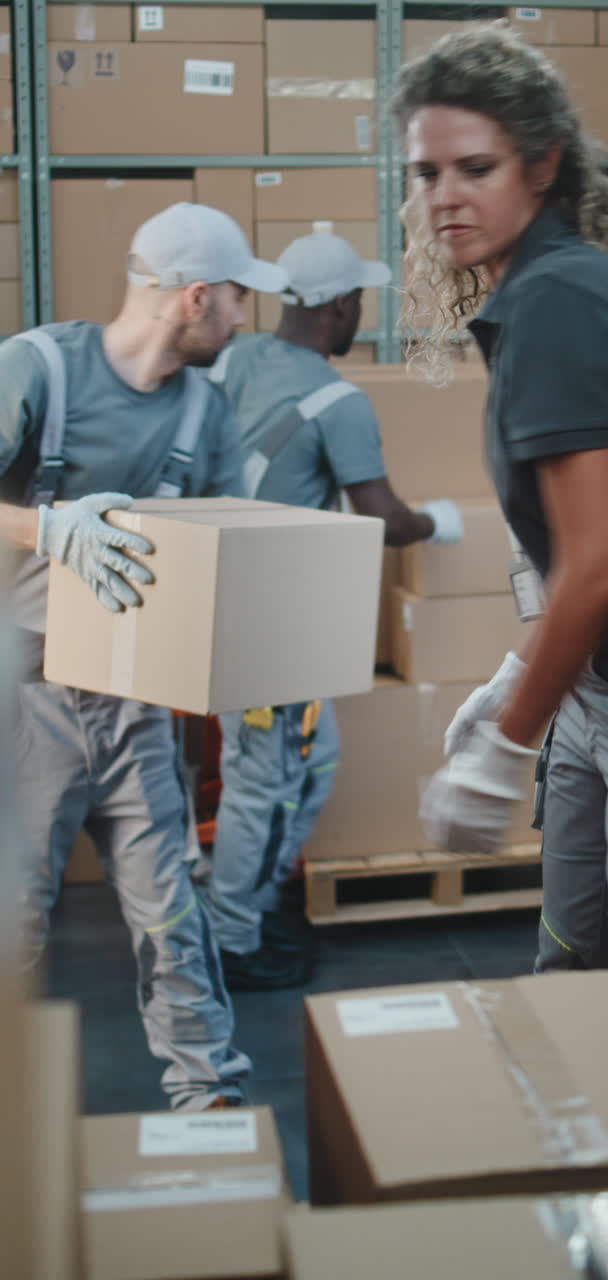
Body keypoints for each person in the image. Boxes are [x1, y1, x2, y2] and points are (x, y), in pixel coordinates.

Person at [393, 22, 608, 1087]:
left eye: (474, 168)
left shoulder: (563, 302)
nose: (445, 194)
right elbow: (585, 539)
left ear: (541, 165)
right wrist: (524, 677)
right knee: (572, 964)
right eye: (426, 171)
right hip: (601, 685)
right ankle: (566, 1189)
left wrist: (503, 743)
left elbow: (604, 562)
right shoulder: (538, 291)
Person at [0, 201, 288, 1109]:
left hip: (133, 703)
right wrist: (48, 527)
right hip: (25, 696)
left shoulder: (204, 413)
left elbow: (222, 557)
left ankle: (214, 1110)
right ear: (195, 298)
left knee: (172, 917)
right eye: (239, 298)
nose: (246, 318)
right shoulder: (37, 366)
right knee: (15, 928)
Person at [204, 227, 464, 989]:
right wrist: (438, 523)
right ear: (342, 305)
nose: (362, 317)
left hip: (225, 605)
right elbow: (381, 516)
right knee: (267, 778)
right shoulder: (338, 401)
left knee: (309, 761)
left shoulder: (233, 357)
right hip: (269, 626)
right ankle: (233, 943)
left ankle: (247, 903)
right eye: (360, 302)